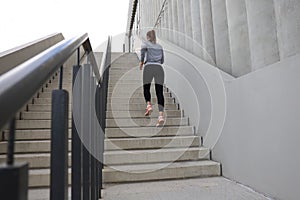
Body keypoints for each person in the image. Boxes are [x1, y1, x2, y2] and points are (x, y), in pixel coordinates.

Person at [139, 30, 165, 127]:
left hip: (149, 67)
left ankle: (148, 105)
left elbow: (142, 53)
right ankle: (161, 116)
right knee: (159, 92)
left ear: (148, 37)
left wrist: (141, 62)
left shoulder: (145, 44)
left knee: (146, 88)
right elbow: (162, 60)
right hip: (159, 68)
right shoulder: (160, 47)